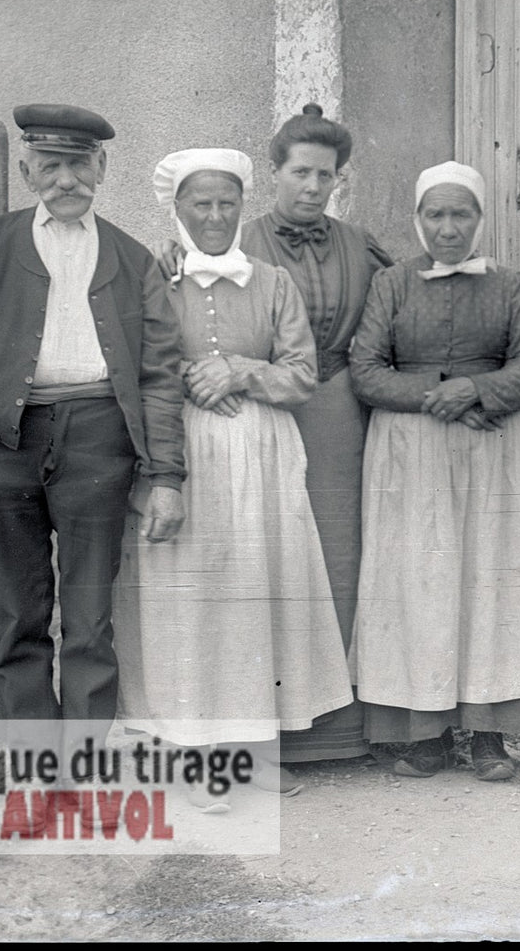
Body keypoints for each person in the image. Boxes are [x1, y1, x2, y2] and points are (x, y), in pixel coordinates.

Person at [0, 103, 187, 742]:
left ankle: (80, 762)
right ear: (27, 171)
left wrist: (166, 475)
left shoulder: (134, 260)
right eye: (50, 166)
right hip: (7, 442)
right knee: (18, 610)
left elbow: (162, 377)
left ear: (102, 168)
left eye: (79, 166)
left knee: (88, 617)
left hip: (100, 441)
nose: (66, 181)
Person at [156, 104, 393, 773]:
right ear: (274, 175)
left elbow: (390, 313)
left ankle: (344, 731)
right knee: (260, 565)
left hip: (336, 412)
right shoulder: (234, 243)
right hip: (250, 424)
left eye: (326, 175)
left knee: (336, 560)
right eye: (300, 173)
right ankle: (264, 731)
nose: (312, 187)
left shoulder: (359, 244)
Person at [114, 148, 352, 807]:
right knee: (190, 602)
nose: (215, 216)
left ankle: (251, 753)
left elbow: (302, 372)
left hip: (261, 453)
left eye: (227, 204)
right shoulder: (152, 280)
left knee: (256, 596)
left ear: (241, 208)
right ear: (177, 208)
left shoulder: (272, 283)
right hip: (181, 453)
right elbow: (134, 364)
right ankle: (193, 759)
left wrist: (240, 371)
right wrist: (191, 376)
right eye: (201, 204)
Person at [347, 160, 520, 782]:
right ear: (419, 220)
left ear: (480, 219)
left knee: (490, 582)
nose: (449, 228)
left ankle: (491, 737)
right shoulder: (392, 285)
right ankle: (427, 737)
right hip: (412, 455)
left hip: (497, 453)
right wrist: (442, 393)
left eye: (461, 214)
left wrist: (478, 388)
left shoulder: (510, 286)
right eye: (436, 215)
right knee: (420, 584)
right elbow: (366, 370)